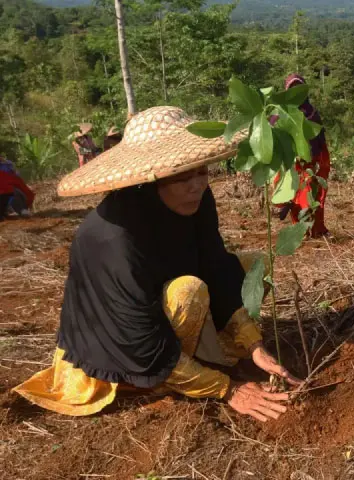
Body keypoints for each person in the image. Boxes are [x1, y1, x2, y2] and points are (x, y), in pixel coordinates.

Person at [14, 106, 301, 421]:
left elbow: (215, 265)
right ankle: (158, 381)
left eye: (201, 172)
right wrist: (228, 389)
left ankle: (208, 357)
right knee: (188, 292)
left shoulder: (198, 200)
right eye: (182, 177)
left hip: (159, 310)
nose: (197, 186)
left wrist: (253, 345)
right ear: (154, 179)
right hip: (118, 345)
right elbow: (140, 340)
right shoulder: (114, 238)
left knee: (254, 266)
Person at [269, 74, 330, 238]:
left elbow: (319, 137)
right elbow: (270, 129)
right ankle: (299, 230)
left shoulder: (312, 112)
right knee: (294, 196)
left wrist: (320, 159)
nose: (296, 92)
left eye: (299, 88)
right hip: (291, 162)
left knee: (312, 195)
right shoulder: (280, 110)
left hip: (311, 162)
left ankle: (316, 229)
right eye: (292, 88)